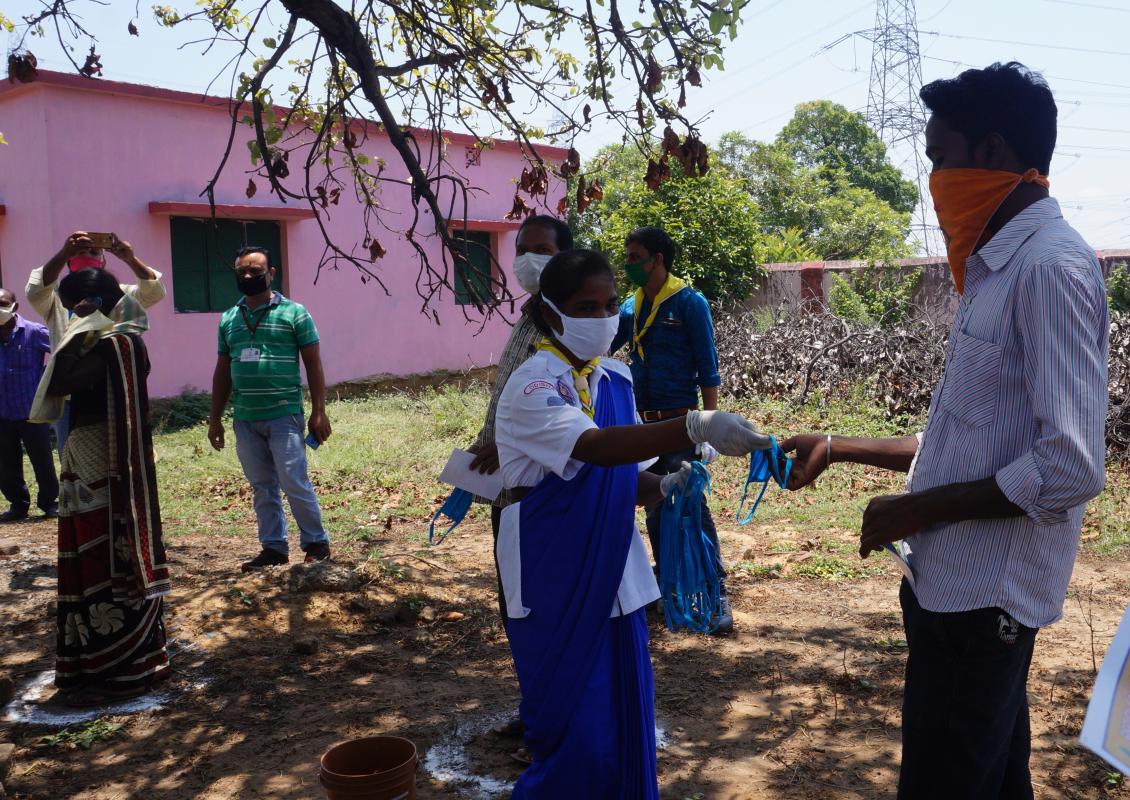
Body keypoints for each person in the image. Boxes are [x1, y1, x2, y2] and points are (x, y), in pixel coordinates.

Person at [783, 62, 1108, 800]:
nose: (933, 183)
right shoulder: (991, 270)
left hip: (984, 607)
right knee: (992, 782)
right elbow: (966, 444)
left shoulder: (1049, 270)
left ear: (992, 154)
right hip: (949, 592)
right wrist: (840, 448)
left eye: (939, 159)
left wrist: (915, 511)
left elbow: (1070, 468)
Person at [494, 248, 772, 798]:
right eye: (584, 307)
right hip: (556, 576)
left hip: (617, 578)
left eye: (606, 307)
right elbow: (594, 448)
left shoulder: (615, 381)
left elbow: (631, 479)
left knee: (624, 726)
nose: (600, 320)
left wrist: (669, 486)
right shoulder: (533, 386)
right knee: (577, 738)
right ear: (550, 314)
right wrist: (692, 424)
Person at [33, 268, 170, 707]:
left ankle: (122, 660)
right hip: (93, 453)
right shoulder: (115, 344)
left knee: (103, 546)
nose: (72, 315)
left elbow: (58, 382)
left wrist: (78, 331)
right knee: (94, 543)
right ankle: (117, 655)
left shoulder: (117, 344)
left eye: (76, 307)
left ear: (92, 305)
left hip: (102, 456)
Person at [609, 226, 730, 632]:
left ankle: (715, 593)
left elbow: (708, 369)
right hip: (643, 426)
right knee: (655, 509)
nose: (629, 265)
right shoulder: (631, 307)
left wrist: (708, 427)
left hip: (682, 423)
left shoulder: (690, 303)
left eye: (634, 257)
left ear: (657, 259)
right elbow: (604, 348)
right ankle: (667, 587)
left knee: (690, 505)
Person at [207, 246, 332, 571]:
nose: (248, 276)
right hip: (245, 418)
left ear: (271, 273)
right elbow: (222, 372)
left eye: (255, 271)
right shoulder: (229, 318)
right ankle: (274, 548)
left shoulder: (295, 313)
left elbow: (314, 365)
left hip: (284, 414)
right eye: (242, 271)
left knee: (293, 480)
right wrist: (215, 418)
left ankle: (316, 543)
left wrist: (319, 411)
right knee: (262, 486)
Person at [27, 231, 167, 453]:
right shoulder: (58, 297)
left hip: (114, 389)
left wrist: (130, 258)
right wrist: (63, 253)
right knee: (73, 458)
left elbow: (153, 293)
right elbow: (36, 290)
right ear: (69, 261)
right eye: (80, 252)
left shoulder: (118, 295)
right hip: (70, 396)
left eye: (94, 251)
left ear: (103, 260)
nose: (87, 256)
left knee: (123, 454)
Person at [0, 288, 58, 522]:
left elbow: (61, 351)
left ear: (15, 306)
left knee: (42, 459)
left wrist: (53, 383)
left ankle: (49, 502)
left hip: (31, 411)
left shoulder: (34, 332)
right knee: (5, 464)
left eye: (3, 303)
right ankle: (17, 505)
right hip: (2, 413)